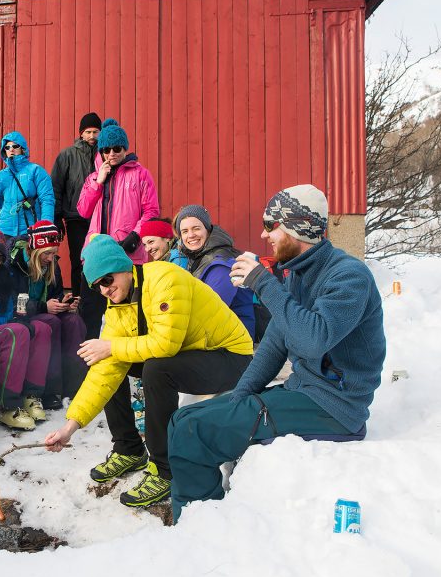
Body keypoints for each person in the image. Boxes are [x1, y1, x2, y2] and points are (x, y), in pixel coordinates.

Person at [166, 185, 386, 521]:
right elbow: (274, 343)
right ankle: (204, 517)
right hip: (304, 392)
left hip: (336, 407)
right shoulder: (299, 272)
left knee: (194, 431)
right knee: (182, 419)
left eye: (271, 226)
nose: (262, 233)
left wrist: (264, 284)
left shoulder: (348, 277)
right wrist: (240, 395)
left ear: (297, 227)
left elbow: (314, 340)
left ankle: (197, 527)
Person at [43, 235, 253, 508]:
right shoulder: (119, 305)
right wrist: (70, 426)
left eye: (107, 280)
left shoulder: (165, 278)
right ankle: (128, 448)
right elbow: (105, 372)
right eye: (97, 286)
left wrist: (112, 347)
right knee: (108, 362)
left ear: (123, 266)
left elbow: (166, 344)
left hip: (229, 356)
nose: (105, 290)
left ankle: (165, 470)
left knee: (154, 368)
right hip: (191, 354)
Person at [76, 118, 160, 338]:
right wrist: (98, 182)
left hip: (127, 253)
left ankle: (131, 366)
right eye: (106, 149)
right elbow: (83, 210)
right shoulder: (94, 177)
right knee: (91, 314)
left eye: (117, 148)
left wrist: (135, 236)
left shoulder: (141, 174)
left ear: (125, 148)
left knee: (130, 314)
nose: (111, 154)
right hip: (95, 256)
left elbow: (151, 211)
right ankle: (92, 363)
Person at [0, 224, 53, 430]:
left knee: (42, 328)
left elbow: (9, 309)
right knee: (17, 331)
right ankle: (6, 406)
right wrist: (6, 323)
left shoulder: (5, 276)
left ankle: (31, 395)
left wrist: (11, 319)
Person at [11, 219, 88, 409]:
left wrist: (64, 302)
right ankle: (50, 390)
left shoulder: (52, 265)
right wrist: (44, 307)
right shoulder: (17, 263)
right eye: (47, 253)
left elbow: (56, 293)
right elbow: (14, 303)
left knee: (73, 322)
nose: (51, 258)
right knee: (50, 322)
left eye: (54, 253)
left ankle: (74, 387)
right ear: (34, 250)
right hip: (23, 316)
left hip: (44, 310)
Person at [174, 204, 256, 338]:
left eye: (196, 228)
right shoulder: (197, 259)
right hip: (216, 335)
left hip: (235, 342)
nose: (191, 235)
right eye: (185, 231)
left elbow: (211, 313)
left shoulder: (221, 265)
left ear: (207, 230)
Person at [51, 112, 102, 295]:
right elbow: (56, 187)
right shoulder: (67, 155)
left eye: (96, 132)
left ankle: (98, 300)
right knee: (78, 261)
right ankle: (79, 298)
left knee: (100, 259)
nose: (91, 136)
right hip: (75, 218)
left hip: (100, 217)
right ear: (81, 133)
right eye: (88, 132)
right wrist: (57, 218)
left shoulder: (105, 154)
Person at [0, 131, 55, 238]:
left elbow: (47, 199)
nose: (11, 149)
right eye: (7, 147)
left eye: (15, 146)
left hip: (30, 230)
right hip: (5, 231)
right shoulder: (0, 176)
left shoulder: (36, 171)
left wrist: (45, 226)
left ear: (23, 149)